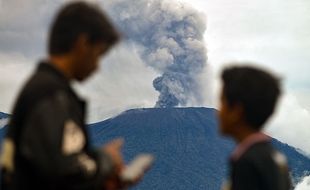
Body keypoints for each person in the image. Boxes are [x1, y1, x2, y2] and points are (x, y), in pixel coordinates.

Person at [0, 2, 138, 190]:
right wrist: (106, 161)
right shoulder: (50, 96)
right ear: (82, 44)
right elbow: (65, 171)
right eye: (98, 54)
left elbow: (50, 173)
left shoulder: (42, 90)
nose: (97, 67)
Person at [218, 65, 291, 190]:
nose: (218, 112)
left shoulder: (247, 163)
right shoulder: (276, 159)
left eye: (222, 103)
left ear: (236, 111)